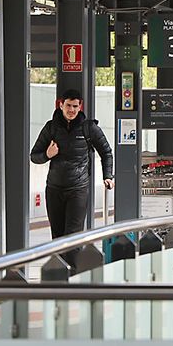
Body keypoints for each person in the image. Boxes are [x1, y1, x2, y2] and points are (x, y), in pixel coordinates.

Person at [29, 89, 114, 240]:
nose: (72, 110)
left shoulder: (89, 128)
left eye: (75, 106)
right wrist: (47, 155)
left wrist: (107, 176)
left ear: (80, 107)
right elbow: (34, 156)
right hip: (54, 189)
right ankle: (60, 257)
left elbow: (106, 152)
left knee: (73, 237)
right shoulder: (51, 127)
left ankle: (73, 257)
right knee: (57, 238)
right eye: (68, 105)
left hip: (78, 189)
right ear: (61, 105)